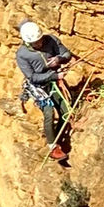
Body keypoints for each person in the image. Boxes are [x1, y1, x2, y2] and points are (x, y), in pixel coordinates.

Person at [15, 20, 74, 162]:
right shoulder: (22, 55)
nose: (40, 44)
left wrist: (59, 59)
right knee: (49, 113)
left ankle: (58, 135)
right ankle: (53, 147)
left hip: (53, 81)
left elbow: (67, 54)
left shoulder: (51, 40)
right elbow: (33, 77)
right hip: (39, 86)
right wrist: (54, 75)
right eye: (36, 43)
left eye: (40, 40)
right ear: (28, 42)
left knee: (66, 112)